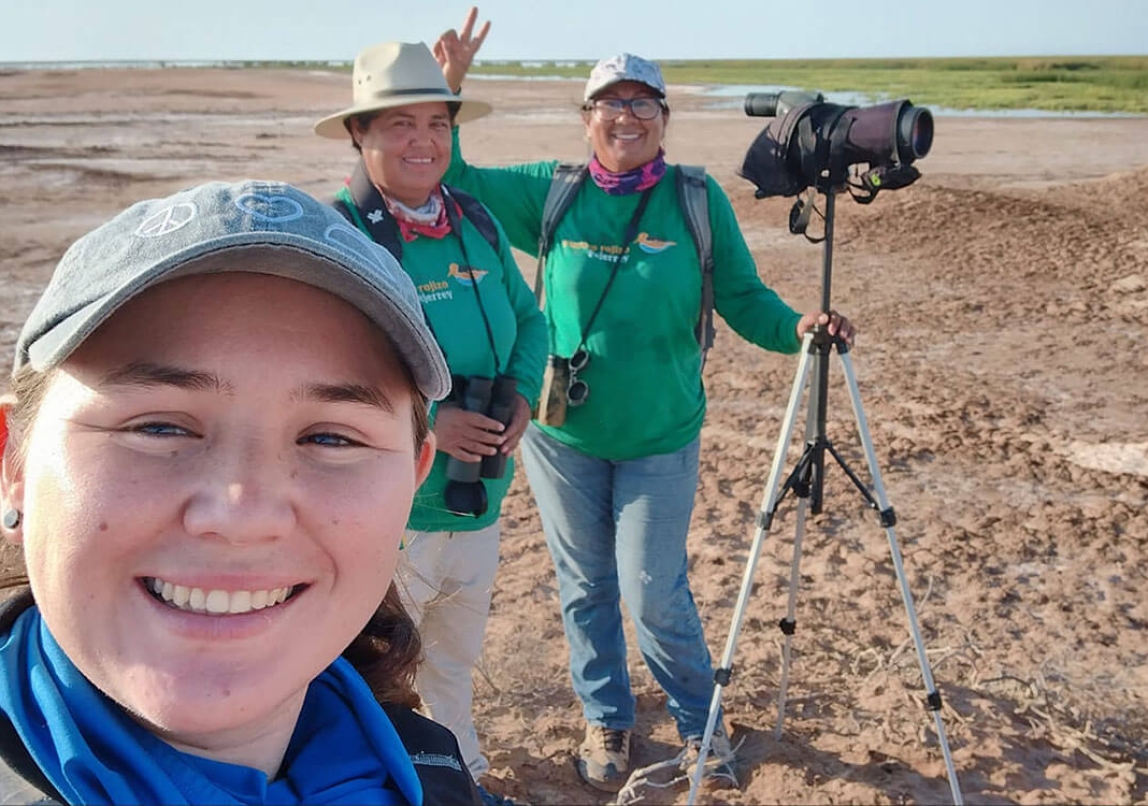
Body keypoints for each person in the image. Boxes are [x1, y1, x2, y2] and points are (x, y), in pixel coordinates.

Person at [434, 9, 856, 793]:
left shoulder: (695, 201)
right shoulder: (548, 195)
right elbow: (453, 179)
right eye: (610, 102)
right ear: (586, 117)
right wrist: (448, 90)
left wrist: (798, 326)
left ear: (664, 118)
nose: (625, 115)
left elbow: (743, 297)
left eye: (641, 103)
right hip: (563, 440)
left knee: (652, 590)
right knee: (583, 586)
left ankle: (702, 729)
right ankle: (608, 720)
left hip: (662, 436)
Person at [0, 179, 483, 805]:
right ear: (15, 460)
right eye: (159, 427)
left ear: (410, 485)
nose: (241, 514)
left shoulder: (426, 769)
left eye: (330, 439)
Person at [314, 41, 547, 806]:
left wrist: (518, 392)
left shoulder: (473, 218)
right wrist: (425, 427)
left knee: (454, 655)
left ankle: (462, 776)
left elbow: (529, 318)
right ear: (360, 135)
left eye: (438, 124)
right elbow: (324, 369)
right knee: (372, 667)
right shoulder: (339, 233)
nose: (424, 141)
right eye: (400, 124)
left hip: (476, 498)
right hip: (387, 509)